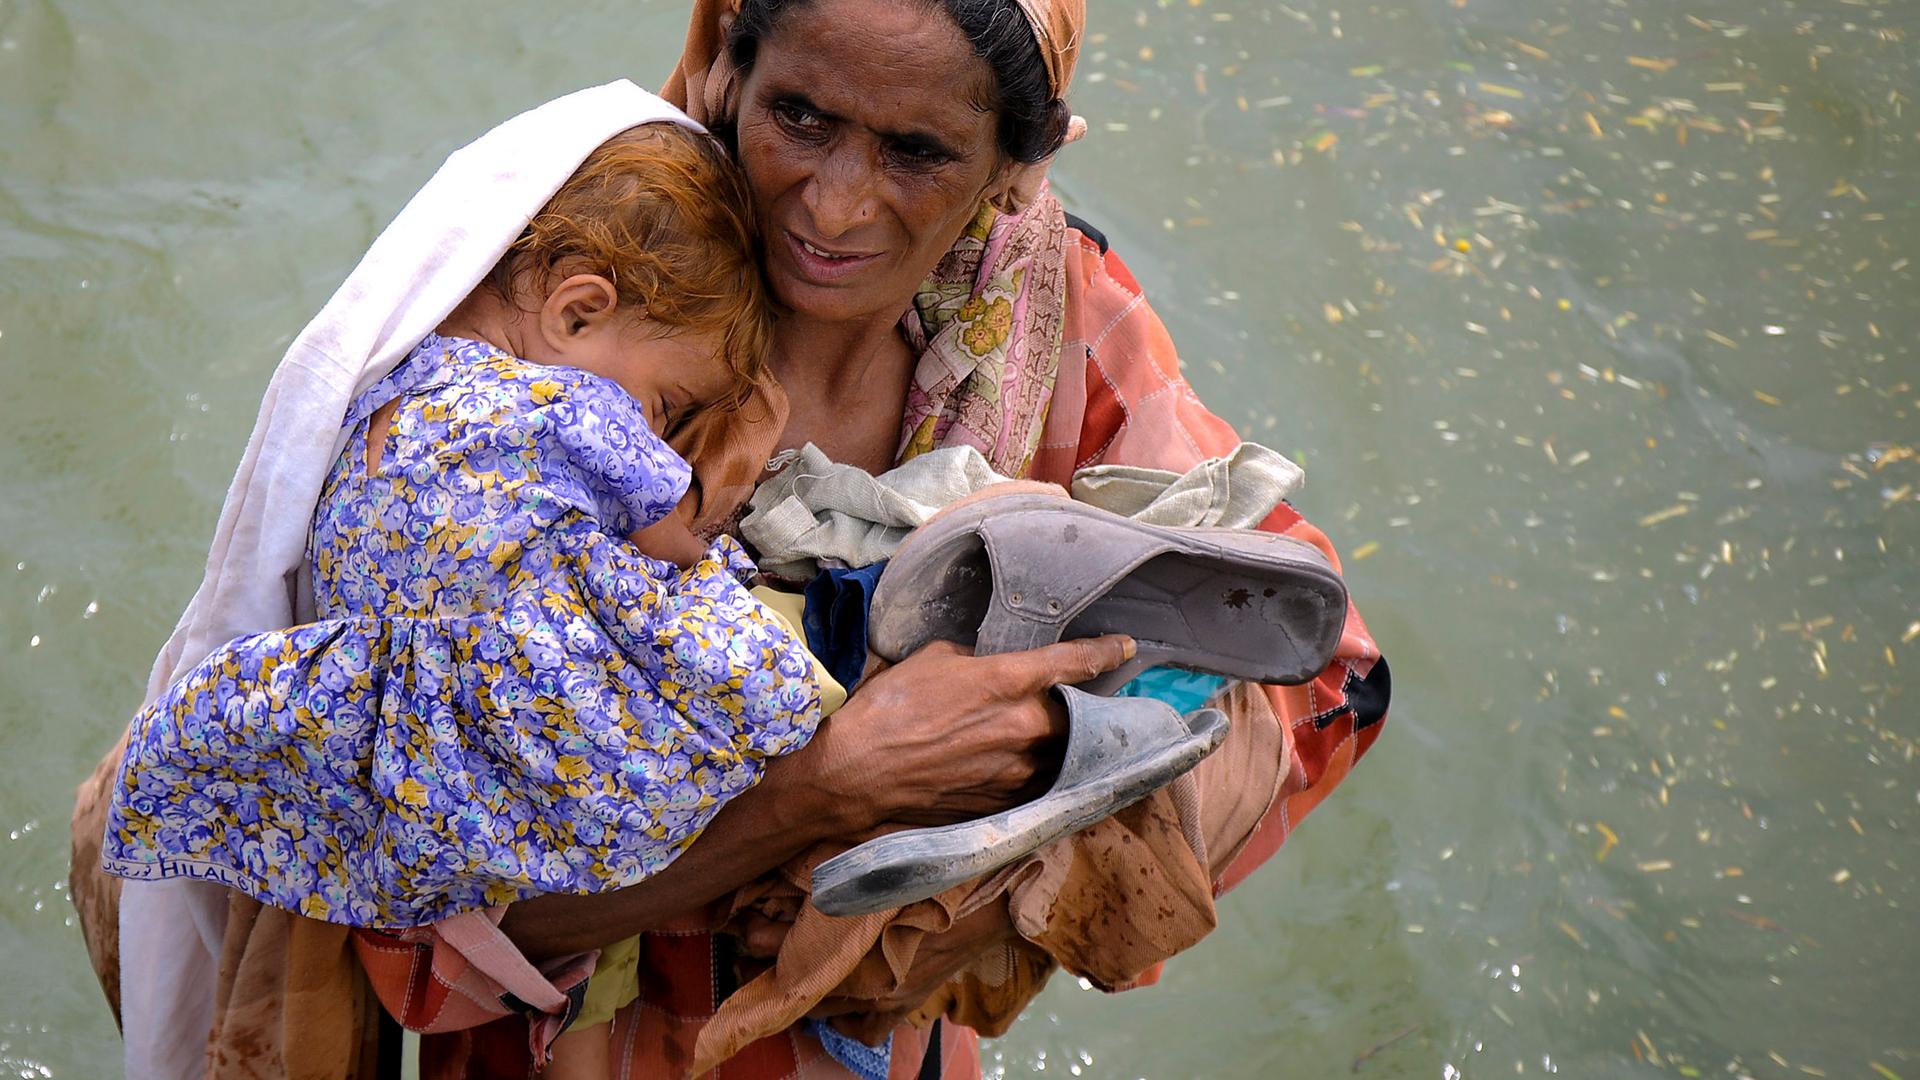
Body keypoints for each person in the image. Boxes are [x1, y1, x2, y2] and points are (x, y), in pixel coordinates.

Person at [69, 1, 1391, 1075]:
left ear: (1017, 166)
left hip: (870, 1032)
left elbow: (1333, 672)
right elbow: (421, 893)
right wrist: (815, 796)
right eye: (801, 119)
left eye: (916, 152)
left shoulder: (1050, 321)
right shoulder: (562, 309)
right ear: (721, 57)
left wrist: (1022, 762)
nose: (833, 206)